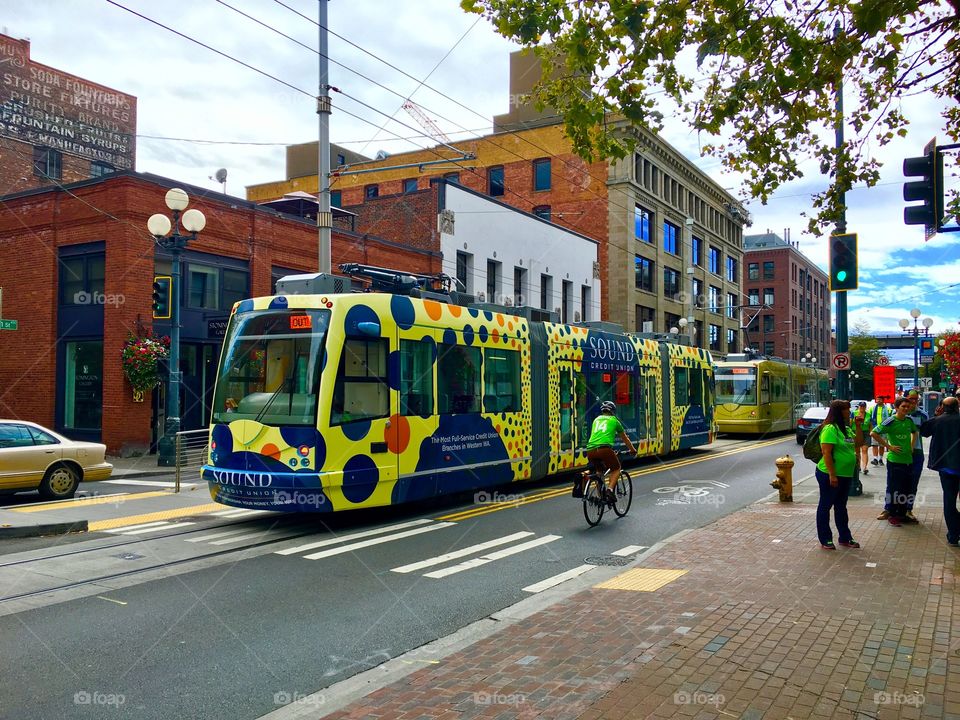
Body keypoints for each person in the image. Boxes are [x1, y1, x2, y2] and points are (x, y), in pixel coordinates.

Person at [815, 399, 865, 549]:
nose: (849, 412)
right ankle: (825, 539)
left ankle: (845, 537)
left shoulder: (846, 429)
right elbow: (827, 453)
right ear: (839, 412)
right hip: (829, 474)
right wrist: (832, 475)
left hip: (845, 475)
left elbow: (859, 443)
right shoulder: (830, 429)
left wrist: (857, 426)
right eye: (846, 410)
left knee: (841, 506)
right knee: (826, 505)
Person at [919, 396, 960, 546]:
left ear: (942, 407)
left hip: (946, 467)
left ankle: (953, 535)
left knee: (949, 501)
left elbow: (924, 431)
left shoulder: (938, 420)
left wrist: (936, 416)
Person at [871, 397, 919, 527]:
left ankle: (902, 514)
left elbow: (915, 432)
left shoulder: (909, 421)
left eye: (907, 406)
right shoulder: (891, 421)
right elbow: (874, 433)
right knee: (894, 488)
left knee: (906, 488)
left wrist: (911, 446)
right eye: (903, 406)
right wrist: (889, 446)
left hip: (908, 460)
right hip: (895, 461)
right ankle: (892, 515)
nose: (906, 408)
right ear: (897, 407)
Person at [583, 400, 637, 503]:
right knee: (616, 468)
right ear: (613, 411)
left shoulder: (596, 420)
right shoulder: (614, 420)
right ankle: (610, 490)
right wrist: (632, 450)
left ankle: (601, 498)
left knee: (599, 472)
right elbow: (625, 439)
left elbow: (599, 437)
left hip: (590, 450)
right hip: (604, 449)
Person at [903, 389, 929, 523]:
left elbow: (926, 432)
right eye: (911, 398)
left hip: (916, 452)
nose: (913, 401)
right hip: (900, 453)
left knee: (913, 482)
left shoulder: (922, 415)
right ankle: (892, 509)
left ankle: (908, 508)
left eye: (916, 399)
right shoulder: (898, 413)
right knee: (897, 482)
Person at [869, 396, 892, 466]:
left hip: (884, 429)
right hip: (875, 428)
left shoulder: (887, 408)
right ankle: (875, 458)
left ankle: (880, 459)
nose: (878, 400)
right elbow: (870, 418)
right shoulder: (872, 408)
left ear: (883, 400)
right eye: (877, 399)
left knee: (882, 444)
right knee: (874, 444)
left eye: (880, 399)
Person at [855, 401, 871, 474]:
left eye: (863, 406)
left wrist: (871, 433)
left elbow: (870, 425)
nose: (862, 408)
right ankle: (858, 466)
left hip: (866, 432)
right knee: (857, 451)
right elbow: (850, 423)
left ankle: (865, 467)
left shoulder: (868, 415)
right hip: (856, 432)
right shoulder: (854, 413)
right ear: (859, 407)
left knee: (865, 449)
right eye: (861, 406)